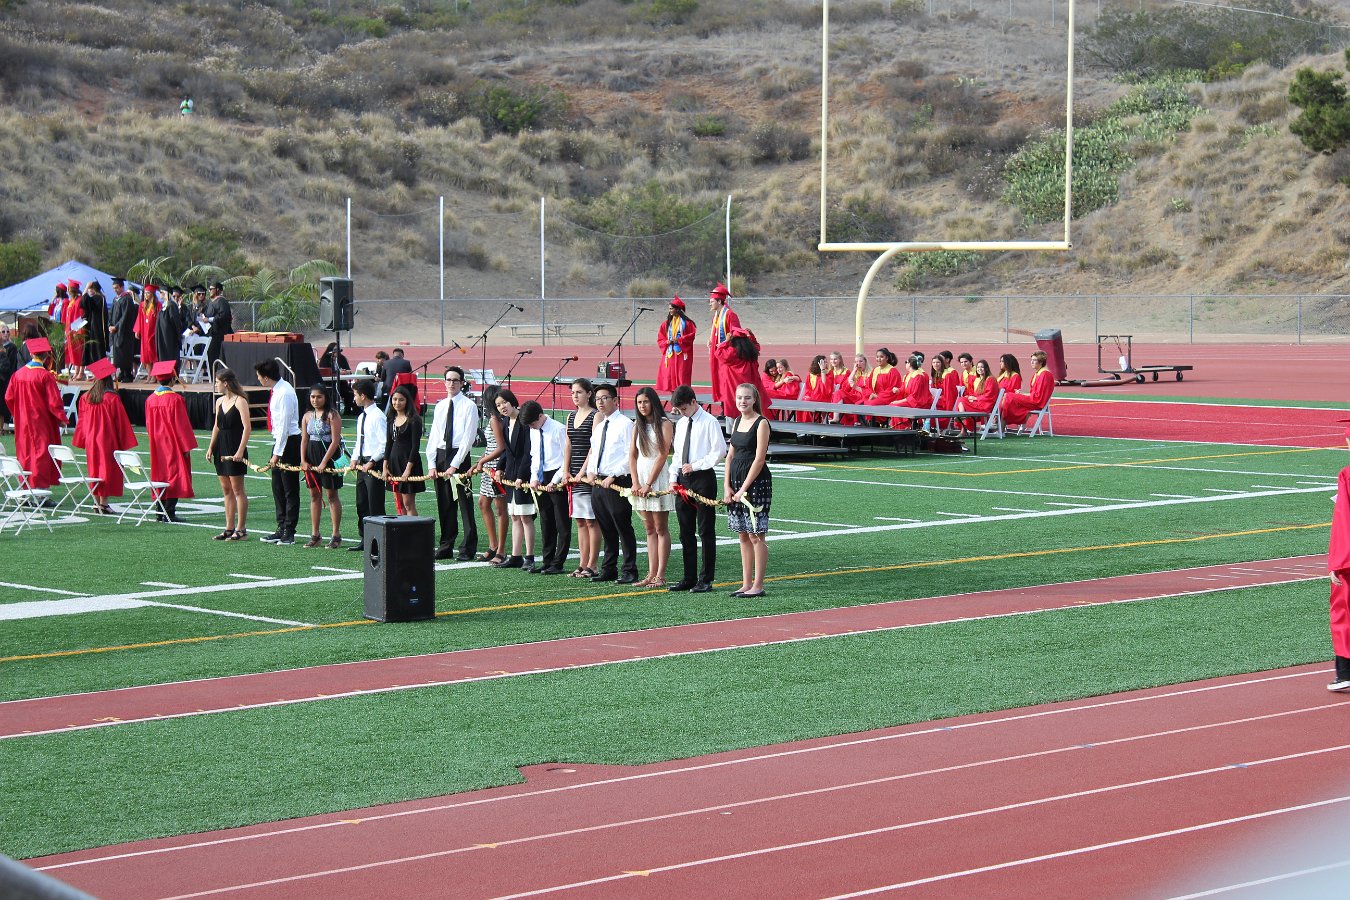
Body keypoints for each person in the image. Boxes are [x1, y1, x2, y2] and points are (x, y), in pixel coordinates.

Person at [667, 384, 725, 593]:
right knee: (685, 531)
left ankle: (706, 578)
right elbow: (677, 454)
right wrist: (673, 478)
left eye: (684, 408)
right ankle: (688, 577)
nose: (682, 413)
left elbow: (719, 451)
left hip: (703, 478)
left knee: (705, 530)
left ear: (693, 402)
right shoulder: (682, 423)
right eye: (679, 410)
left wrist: (697, 465)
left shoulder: (709, 421)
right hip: (684, 479)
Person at [584, 383, 638, 584]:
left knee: (622, 526)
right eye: (597, 399)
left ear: (615, 400)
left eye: (604, 398)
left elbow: (630, 455)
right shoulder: (600, 426)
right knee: (606, 527)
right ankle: (609, 568)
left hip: (617, 482)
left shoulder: (625, 424)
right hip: (598, 482)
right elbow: (594, 452)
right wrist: (591, 472)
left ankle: (630, 569)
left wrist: (614, 475)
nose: (600, 402)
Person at [723, 382, 771, 598]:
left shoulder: (762, 423)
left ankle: (758, 585)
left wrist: (743, 489)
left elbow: (759, 459)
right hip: (736, 482)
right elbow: (730, 456)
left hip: (756, 483)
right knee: (742, 534)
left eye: (747, 398)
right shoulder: (736, 421)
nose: (743, 401)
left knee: (756, 535)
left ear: (754, 400)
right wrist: (727, 486)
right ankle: (746, 583)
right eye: (739, 397)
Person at [426, 366, 478, 561]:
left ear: (462, 383)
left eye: (456, 380)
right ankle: (446, 545)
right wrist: (432, 464)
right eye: (448, 380)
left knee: (464, 503)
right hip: (441, 456)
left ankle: (468, 548)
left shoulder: (469, 406)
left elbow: (468, 439)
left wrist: (455, 464)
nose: (451, 383)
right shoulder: (440, 406)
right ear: (444, 382)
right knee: (444, 504)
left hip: (459, 457)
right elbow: (434, 436)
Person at [71, 357, 135, 515]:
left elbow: (82, 422)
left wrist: (84, 439)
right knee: (106, 470)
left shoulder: (86, 398)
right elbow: (121, 423)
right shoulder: (112, 398)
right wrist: (124, 442)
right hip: (107, 440)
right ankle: (104, 503)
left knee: (94, 469)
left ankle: (96, 502)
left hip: (91, 440)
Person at [5, 337, 66, 491]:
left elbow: (8, 397)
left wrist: (18, 413)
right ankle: (39, 493)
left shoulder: (18, 375)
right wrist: (61, 418)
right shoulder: (45, 376)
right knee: (40, 454)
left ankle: (26, 489)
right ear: (46, 356)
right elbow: (54, 402)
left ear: (31, 354)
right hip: (41, 422)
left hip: (23, 422)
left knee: (25, 453)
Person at [628, 386, 674, 587]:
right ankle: (650, 573)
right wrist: (635, 481)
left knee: (660, 527)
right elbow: (632, 455)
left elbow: (663, 454)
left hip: (657, 479)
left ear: (653, 402)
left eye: (646, 401)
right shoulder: (636, 425)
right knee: (649, 528)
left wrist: (648, 483)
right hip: (641, 479)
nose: (642, 406)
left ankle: (660, 575)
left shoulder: (664, 424)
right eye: (639, 402)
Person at [145, 361, 198, 523]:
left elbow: (148, 424)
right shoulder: (175, 399)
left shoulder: (150, 399)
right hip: (173, 444)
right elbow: (182, 425)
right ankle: (170, 512)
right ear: (173, 379)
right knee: (174, 475)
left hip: (156, 444)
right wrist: (186, 446)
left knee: (160, 475)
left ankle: (159, 511)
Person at [255, 358, 301, 545]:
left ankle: (289, 531)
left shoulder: (285, 393)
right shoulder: (277, 390)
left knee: (289, 488)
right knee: (277, 487)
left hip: (289, 443)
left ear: (266, 377)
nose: (258, 380)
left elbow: (284, 426)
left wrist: (277, 453)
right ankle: (281, 527)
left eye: (259, 376)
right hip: (280, 442)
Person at [523, 400, 570, 575]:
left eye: (532, 423)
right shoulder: (533, 430)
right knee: (546, 520)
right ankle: (547, 560)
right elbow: (535, 455)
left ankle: (558, 562)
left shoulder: (558, 429)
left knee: (561, 522)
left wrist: (555, 480)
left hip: (557, 476)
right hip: (541, 476)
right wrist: (534, 477)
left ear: (541, 416)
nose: (532, 427)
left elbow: (566, 458)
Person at [205, 368, 251, 540]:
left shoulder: (240, 401)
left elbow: (247, 428)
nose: (215, 385)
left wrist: (240, 450)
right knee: (226, 490)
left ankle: (241, 529)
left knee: (238, 489)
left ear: (225, 383)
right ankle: (229, 528)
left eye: (217, 382)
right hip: (221, 447)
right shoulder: (219, 401)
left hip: (234, 446)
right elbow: (216, 426)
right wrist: (211, 447)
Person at [562, 378, 600, 578]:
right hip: (574, 475)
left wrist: (582, 472)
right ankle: (582, 563)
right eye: (573, 393)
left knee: (591, 521)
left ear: (589, 394)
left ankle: (593, 564)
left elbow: (594, 446)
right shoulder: (570, 416)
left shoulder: (596, 415)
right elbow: (568, 445)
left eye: (579, 392)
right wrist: (566, 471)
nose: (575, 396)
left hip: (588, 475)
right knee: (580, 521)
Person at [492, 388, 534, 569]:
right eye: (498, 405)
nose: (502, 407)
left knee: (526, 517)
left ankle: (529, 557)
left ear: (512, 401)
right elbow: (507, 451)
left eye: (504, 402)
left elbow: (528, 452)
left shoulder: (524, 422)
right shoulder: (505, 422)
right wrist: (500, 468)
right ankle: (516, 556)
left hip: (523, 477)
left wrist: (521, 476)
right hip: (510, 476)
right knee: (515, 516)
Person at [300, 384, 344, 549]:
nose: (315, 400)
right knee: (314, 495)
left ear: (325, 397)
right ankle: (315, 534)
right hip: (311, 458)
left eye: (319, 397)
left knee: (331, 495)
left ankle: (336, 534)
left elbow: (335, 440)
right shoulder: (307, 416)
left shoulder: (332, 415)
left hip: (328, 458)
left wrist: (324, 462)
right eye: (313, 397)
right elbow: (304, 440)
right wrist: (303, 460)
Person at [471, 383, 508, 565]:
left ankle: (501, 549)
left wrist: (482, 461)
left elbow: (501, 447)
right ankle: (493, 545)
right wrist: (479, 462)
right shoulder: (494, 418)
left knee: (500, 508)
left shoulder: (495, 419)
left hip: (496, 467)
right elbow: (491, 446)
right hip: (489, 465)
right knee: (483, 503)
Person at [348, 380, 386, 552]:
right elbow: (359, 441)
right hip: (362, 464)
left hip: (373, 464)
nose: (354, 398)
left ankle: (378, 542)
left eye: (355, 395)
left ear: (363, 396)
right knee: (361, 503)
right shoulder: (362, 416)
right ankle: (365, 538)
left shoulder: (378, 416)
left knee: (374, 504)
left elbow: (383, 444)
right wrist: (354, 458)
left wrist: (372, 462)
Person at [383, 383, 424, 517]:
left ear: (407, 401)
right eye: (395, 399)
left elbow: (415, 446)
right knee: (400, 504)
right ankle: (403, 527)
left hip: (408, 463)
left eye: (401, 399)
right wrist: (385, 466)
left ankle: (413, 528)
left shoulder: (414, 420)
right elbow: (388, 444)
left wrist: (408, 470)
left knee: (408, 503)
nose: (397, 402)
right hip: (394, 464)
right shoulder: (391, 419)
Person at [713, 327, 771, 418]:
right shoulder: (752, 351)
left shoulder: (732, 352)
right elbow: (756, 345)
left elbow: (718, 353)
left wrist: (726, 341)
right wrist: (752, 336)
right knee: (753, 412)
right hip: (751, 385)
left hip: (734, 386)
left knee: (733, 415)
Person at [1326, 467, 1350, 692]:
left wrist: (1337, 562)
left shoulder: (1347, 475)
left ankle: (1345, 672)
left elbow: (1344, 520)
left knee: (1343, 614)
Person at [705, 282, 740, 415]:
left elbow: (736, 333)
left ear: (719, 301)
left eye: (712, 301)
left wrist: (727, 341)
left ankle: (728, 409)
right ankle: (723, 407)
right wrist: (711, 339)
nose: (710, 304)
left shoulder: (730, 315)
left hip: (725, 355)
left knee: (726, 381)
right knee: (718, 380)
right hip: (717, 354)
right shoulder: (717, 315)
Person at [1002, 349, 1055, 429]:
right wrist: (1023, 394)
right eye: (1031, 360)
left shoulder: (1045, 374)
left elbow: (1038, 397)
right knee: (1007, 397)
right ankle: (999, 425)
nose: (1031, 362)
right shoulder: (1038, 373)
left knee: (1008, 396)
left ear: (1041, 362)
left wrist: (1023, 394)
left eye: (1034, 360)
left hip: (1037, 402)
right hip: (1034, 400)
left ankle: (1000, 426)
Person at [656, 296, 696, 392]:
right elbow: (660, 338)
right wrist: (667, 342)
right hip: (670, 354)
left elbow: (691, 336)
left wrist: (679, 340)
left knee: (682, 375)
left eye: (671, 308)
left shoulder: (687, 323)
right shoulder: (666, 324)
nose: (669, 310)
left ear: (677, 309)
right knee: (670, 376)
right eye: (669, 309)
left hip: (682, 354)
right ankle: (674, 397)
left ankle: (682, 397)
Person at [108, 278, 138, 382]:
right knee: (118, 354)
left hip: (125, 332)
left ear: (122, 287)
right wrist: (110, 325)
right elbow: (111, 314)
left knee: (125, 353)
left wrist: (116, 326)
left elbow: (125, 316)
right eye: (114, 288)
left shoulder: (127, 299)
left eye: (117, 288)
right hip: (116, 332)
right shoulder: (115, 299)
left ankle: (128, 374)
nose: (115, 290)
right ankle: (121, 373)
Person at [202, 282, 233, 371]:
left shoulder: (221, 301)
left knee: (215, 355)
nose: (209, 291)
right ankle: (213, 375)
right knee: (211, 355)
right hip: (212, 333)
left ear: (217, 290)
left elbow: (224, 315)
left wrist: (210, 319)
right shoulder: (212, 302)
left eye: (211, 289)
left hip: (219, 334)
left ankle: (217, 375)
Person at [318, 341, 354, 415]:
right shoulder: (325, 360)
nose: (337, 352)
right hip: (329, 383)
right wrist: (338, 372)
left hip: (341, 382)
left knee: (349, 393)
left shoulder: (342, 358)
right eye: (335, 350)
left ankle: (348, 410)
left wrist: (345, 371)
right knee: (332, 393)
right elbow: (326, 372)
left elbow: (348, 370)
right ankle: (332, 411)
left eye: (338, 350)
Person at [133, 285, 161, 379]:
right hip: (145, 333)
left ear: (152, 294)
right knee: (145, 355)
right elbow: (139, 318)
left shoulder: (158, 305)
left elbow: (159, 320)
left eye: (148, 293)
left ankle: (155, 376)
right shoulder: (142, 305)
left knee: (153, 354)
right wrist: (137, 330)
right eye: (145, 293)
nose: (145, 295)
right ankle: (149, 375)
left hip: (153, 332)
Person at [156, 287, 184, 373]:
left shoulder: (172, 305)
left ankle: (171, 376)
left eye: (161, 292)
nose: (160, 294)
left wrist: (178, 336)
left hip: (170, 338)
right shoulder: (164, 305)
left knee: (170, 356)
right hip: (162, 337)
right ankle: (164, 375)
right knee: (163, 356)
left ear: (166, 293)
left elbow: (176, 322)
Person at [63, 281, 85, 377]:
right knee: (72, 352)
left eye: (68, 289)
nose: (67, 291)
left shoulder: (79, 300)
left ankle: (79, 372)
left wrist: (76, 330)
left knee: (78, 351)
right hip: (70, 330)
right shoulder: (72, 301)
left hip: (76, 330)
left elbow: (80, 317)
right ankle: (75, 372)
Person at [381, 347, 412, 411]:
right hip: (402, 388)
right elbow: (410, 377)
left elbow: (382, 378)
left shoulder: (386, 363)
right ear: (402, 355)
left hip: (389, 388)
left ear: (393, 355)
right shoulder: (406, 363)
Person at [0, 323, 17, 433]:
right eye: (3, 331)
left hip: (6, 378)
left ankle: (4, 427)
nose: (6, 333)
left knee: (4, 403)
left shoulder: (11, 347)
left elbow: (11, 365)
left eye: (7, 331)